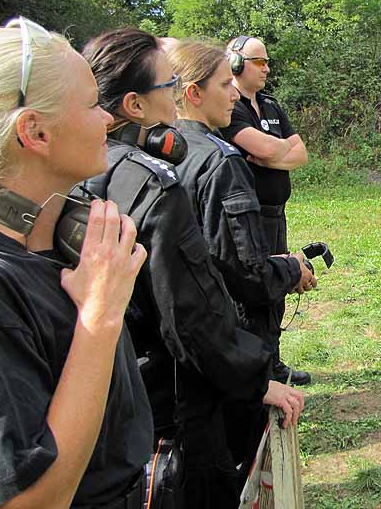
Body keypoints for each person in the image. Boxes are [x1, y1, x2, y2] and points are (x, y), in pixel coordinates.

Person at [80, 28, 304, 508]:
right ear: (137, 105)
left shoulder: (87, 170)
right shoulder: (160, 179)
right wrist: (255, 375)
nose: (235, 93)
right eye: (168, 84)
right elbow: (196, 305)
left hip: (119, 389)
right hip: (179, 394)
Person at [0, 18, 152, 508]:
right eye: (92, 105)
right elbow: (27, 503)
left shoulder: (54, 243)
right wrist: (100, 315)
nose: (108, 120)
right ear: (36, 131)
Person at [165, 39, 314, 468]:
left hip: (190, 353)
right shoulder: (220, 162)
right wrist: (289, 267)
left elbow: (293, 151)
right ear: (193, 92)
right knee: (242, 452)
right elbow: (247, 274)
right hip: (225, 340)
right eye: (222, 83)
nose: (232, 92)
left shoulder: (162, 151)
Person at [220, 35, 311, 385]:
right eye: (259, 62)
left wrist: (271, 154)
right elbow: (267, 148)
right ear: (237, 65)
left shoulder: (271, 106)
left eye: (266, 61)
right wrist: (276, 151)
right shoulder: (231, 108)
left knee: (280, 284)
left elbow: (299, 153)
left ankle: (273, 362)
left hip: (276, 212)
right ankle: (256, 368)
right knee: (254, 290)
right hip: (249, 217)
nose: (266, 68)